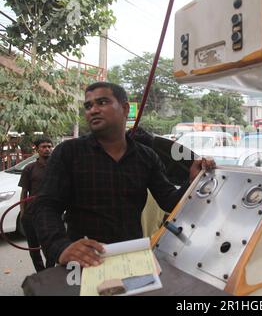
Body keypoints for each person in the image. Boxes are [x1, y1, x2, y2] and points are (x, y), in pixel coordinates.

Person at [33, 82, 215, 268]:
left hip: (132, 258)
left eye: (102, 102)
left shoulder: (146, 157)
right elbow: (45, 206)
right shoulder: (68, 152)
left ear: (125, 108)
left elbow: (169, 201)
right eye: (88, 106)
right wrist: (61, 247)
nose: (93, 110)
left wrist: (192, 180)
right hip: (85, 262)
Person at [18, 137, 54, 272]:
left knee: (51, 245)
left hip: (51, 213)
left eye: (49, 146)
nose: (47, 149)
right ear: (37, 149)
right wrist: (23, 213)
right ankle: (41, 273)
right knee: (33, 247)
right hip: (31, 214)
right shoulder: (29, 168)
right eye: (44, 147)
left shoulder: (57, 167)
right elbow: (24, 192)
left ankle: (50, 271)